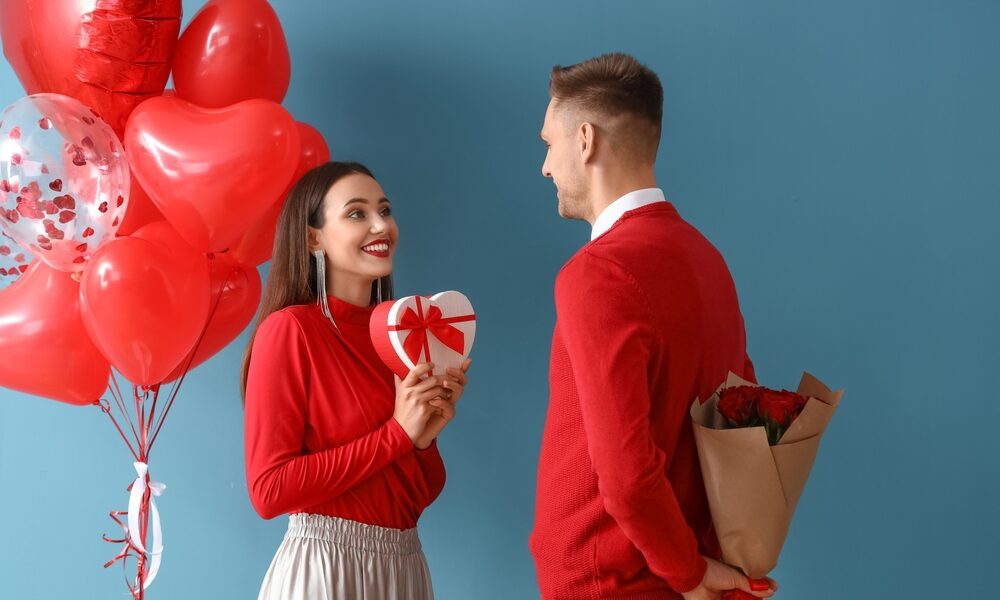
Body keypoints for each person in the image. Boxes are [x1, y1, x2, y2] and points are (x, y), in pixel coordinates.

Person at [529, 53, 776, 600]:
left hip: (614, 579)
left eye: (549, 144)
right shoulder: (707, 260)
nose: (545, 166)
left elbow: (625, 472)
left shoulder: (595, 273)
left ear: (586, 140)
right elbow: (742, 413)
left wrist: (686, 572)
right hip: (683, 569)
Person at [242, 161, 470, 600]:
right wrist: (398, 435)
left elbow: (410, 500)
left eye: (384, 210)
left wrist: (423, 440)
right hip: (325, 573)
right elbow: (269, 491)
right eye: (356, 213)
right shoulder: (291, 331)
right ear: (313, 238)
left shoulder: (403, 335)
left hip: (403, 566)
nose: (381, 224)